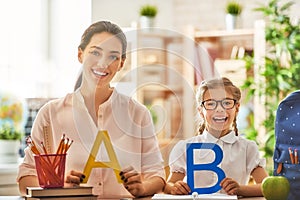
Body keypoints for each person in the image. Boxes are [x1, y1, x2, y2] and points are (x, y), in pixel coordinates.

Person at [17, 21, 166, 198]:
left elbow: (157, 175)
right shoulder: (50, 114)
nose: (103, 63)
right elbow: (25, 179)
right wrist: (57, 185)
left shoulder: (138, 114)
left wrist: (143, 188)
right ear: (80, 55)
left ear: (121, 63)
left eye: (113, 57)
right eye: (95, 52)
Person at [164, 77, 268, 197]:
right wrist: (174, 188)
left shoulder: (247, 148)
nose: (219, 109)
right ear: (200, 111)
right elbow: (169, 185)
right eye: (211, 104)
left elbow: (265, 186)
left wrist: (241, 189)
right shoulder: (184, 148)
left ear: (237, 108)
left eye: (227, 103)